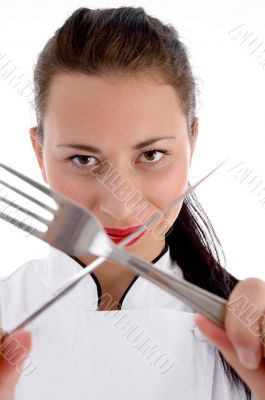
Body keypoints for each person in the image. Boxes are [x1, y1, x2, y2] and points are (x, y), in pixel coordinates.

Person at [0, 6, 264, 399]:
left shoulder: (248, 335)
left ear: (192, 141)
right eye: (83, 159)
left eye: (152, 155)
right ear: (39, 155)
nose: (121, 207)